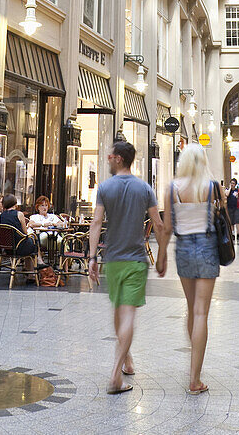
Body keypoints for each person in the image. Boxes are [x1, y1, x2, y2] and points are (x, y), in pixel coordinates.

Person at [89, 139, 165, 396]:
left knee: (119, 310)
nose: (108, 159)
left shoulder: (104, 188)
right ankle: (115, 375)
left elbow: (97, 222)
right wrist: (163, 253)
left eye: (110, 156)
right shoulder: (144, 189)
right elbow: (158, 224)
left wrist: (91, 258)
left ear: (119, 158)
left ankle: (127, 359)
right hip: (134, 260)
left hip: (112, 260)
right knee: (128, 314)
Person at [156, 143, 222, 396]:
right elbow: (222, 218)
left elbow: (167, 227)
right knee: (201, 312)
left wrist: (161, 257)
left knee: (190, 306)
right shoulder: (213, 187)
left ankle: (194, 364)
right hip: (207, 248)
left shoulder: (172, 188)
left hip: (183, 248)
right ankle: (195, 377)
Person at [0, 194, 44, 279]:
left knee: (30, 242)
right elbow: (25, 232)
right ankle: (34, 269)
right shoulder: (19, 214)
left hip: (7, 248)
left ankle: (31, 272)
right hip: (19, 246)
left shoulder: (2, 215)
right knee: (33, 240)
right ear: (15, 203)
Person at [227, 178, 239, 243]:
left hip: (237, 207)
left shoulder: (238, 191)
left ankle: (238, 233)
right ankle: (233, 233)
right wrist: (229, 188)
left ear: (235, 184)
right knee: (231, 222)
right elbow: (226, 194)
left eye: (233, 183)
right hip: (230, 207)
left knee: (237, 221)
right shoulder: (228, 190)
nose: (232, 185)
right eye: (231, 183)